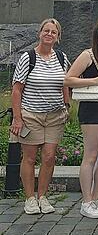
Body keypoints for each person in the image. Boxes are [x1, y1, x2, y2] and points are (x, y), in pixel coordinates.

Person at [11, 19, 71, 215]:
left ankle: (43, 196)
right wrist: (18, 118)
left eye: (53, 32)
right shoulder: (28, 58)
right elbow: (17, 90)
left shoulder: (61, 57)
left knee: (49, 157)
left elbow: (66, 82)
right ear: (39, 33)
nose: (49, 34)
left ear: (58, 37)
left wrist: (67, 104)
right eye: (46, 30)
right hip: (31, 115)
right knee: (29, 157)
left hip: (54, 115)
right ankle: (29, 198)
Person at [65, 19, 98, 218]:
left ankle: (97, 197)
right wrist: (94, 80)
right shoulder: (88, 55)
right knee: (90, 156)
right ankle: (86, 201)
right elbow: (68, 79)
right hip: (92, 110)